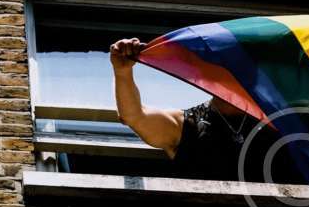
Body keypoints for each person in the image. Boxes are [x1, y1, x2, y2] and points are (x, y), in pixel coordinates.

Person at [111, 37, 298, 182]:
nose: (231, 74)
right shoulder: (186, 123)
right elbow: (134, 116)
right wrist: (123, 72)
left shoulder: (281, 120)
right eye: (223, 67)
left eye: (241, 67)